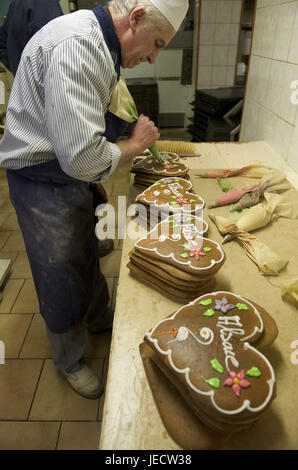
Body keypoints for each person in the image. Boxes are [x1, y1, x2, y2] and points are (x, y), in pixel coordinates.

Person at [0, 0, 189, 399]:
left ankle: (98, 315)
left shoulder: (101, 44)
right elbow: (83, 158)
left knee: (86, 247)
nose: (154, 57)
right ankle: (69, 359)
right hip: (41, 178)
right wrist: (134, 145)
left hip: (66, 171)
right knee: (59, 268)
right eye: (155, 44)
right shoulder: (77, 46)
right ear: (135, 17)